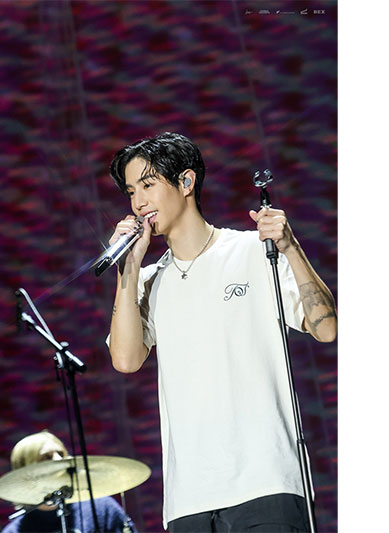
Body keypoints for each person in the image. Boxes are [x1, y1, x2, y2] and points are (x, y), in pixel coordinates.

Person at [105, 132, 337, 532]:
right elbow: (125, 360)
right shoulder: (148, 280)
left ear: (186, 182)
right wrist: (128, 269)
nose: (138, 202)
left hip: (266, 482)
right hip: (189, 499)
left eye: (148, 184)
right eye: (130, 192)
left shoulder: (253, 251)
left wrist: (290, 248)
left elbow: (327, 328)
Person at [1, 431, 136, 533]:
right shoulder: (14, 531)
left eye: (61, 454)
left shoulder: (102, 508)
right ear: (25, 472)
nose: (59, 460)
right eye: (46, 457)